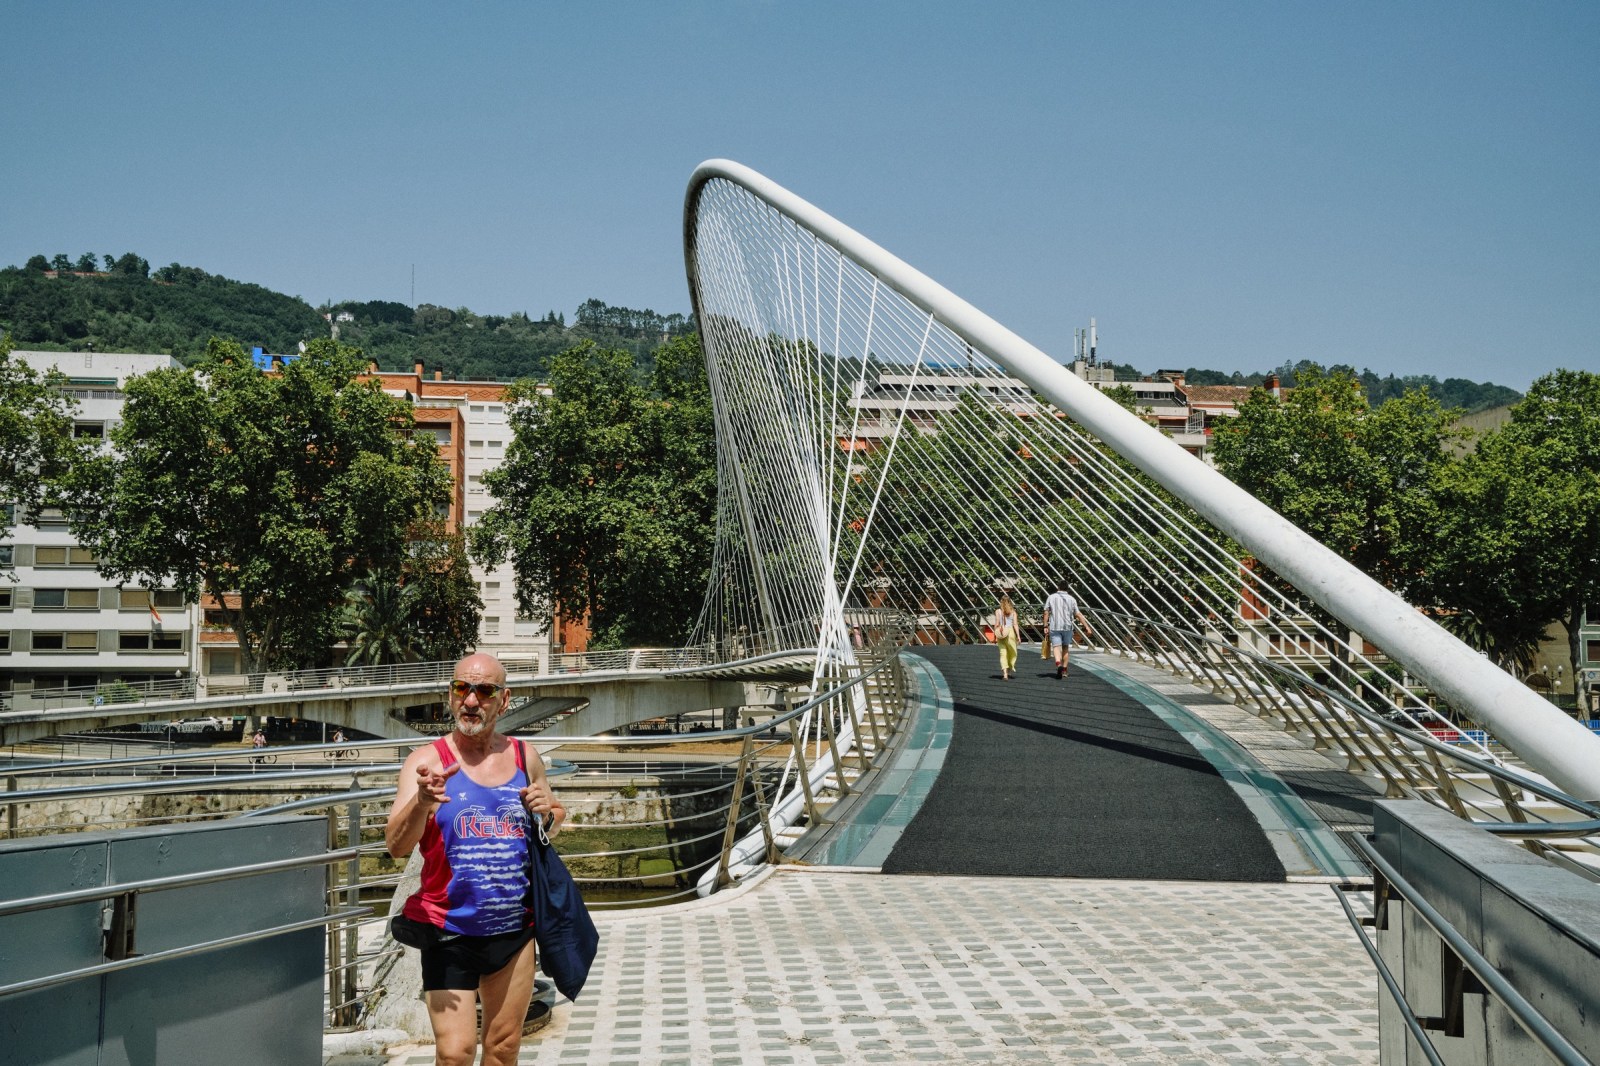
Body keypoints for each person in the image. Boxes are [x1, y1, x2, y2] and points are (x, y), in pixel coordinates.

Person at [385, 652, 565, 1066]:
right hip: (448, 931)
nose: (471, 700)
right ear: (449, 695)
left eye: (484, 691)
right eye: (461, 688)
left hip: (514, 931)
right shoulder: (425, 762)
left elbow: (552, 819)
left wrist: (550, 812)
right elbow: (395, 845)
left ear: (504, 701)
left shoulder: (525, 757)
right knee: (455, 1053)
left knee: (503, 1049)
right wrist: (422, 803)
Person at [1042, 581, 1092, 680]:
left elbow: (1046, 612)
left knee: (1056, 647)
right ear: (1067, 588)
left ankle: (1058, 664)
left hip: (1055, 626)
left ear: (1058, 587)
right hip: (1067, 627)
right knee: (1065, 648)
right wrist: (1087, 626)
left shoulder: (1051, 597)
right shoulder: (1072, 599)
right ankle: (1064, 670)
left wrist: (1045, 626)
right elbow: (1078, 614)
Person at [992, 594, 1020, 680]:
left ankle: (1005, 674)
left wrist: (995, 634)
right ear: (1010, 602)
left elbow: (997, 624)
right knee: (1012, 652)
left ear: (1001, 602)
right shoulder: (1013, 612)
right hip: (1010, 633)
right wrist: (1018, 636)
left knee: (1003, 653)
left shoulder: (998, 611)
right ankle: (1010, 669)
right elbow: (1015, 624)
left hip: (1001, 633)